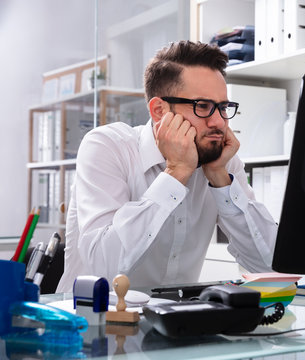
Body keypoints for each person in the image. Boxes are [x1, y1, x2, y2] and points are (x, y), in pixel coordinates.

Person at [56, 41, 277, 292]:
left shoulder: (220, 160)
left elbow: (269, 267)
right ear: (159, 110)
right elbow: (104, 269)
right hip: (95, 321)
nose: (219, 122)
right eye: (203, 106)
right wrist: (176, 173)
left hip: (177, 323)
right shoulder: (107, 146)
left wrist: (220, 178)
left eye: (223, 107)